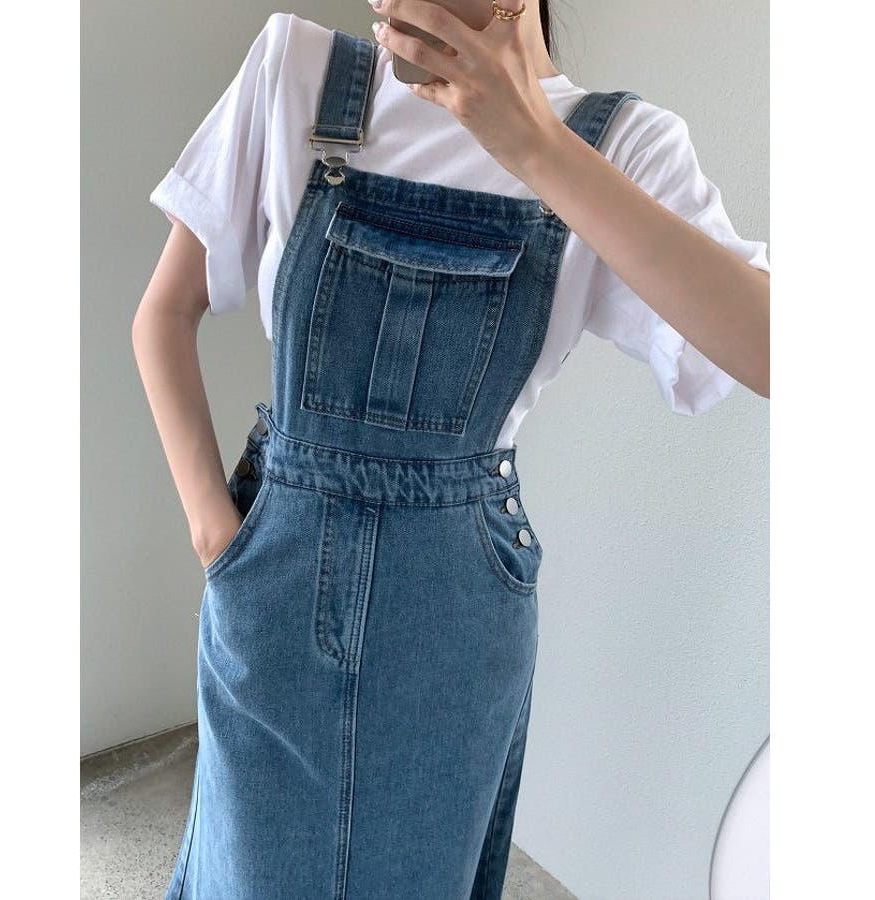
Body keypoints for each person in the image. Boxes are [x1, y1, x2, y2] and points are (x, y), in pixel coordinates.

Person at [132, 3, 769, 898]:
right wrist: (217, 536)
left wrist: (537, 146)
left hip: (455, 606)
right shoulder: (297, 70)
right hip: (274, 572)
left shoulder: (623, 144)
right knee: (247, 870)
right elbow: (165, 311)